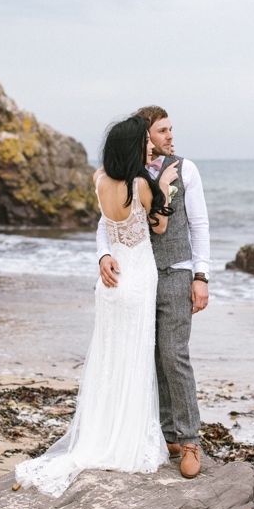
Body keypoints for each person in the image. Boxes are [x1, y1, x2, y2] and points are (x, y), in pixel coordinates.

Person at [15, 115, 171, 497]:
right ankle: (126, 436)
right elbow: (160, 227)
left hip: (111, 281)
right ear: (133, 146)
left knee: (109, 357)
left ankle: (101, 432)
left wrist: (103, 254)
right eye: (144, 142)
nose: (150, 146)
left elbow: (105, 223)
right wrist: (163, 184)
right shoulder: (141, 185)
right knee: (134, 357)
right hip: (136, 277)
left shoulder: (100, 179)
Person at [96, 106, 211, 482]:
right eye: (161, 131)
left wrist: (201, 275)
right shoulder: (129, 174)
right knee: (147, 353)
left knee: (173, 354)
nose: (169, 137)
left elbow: (199, 225)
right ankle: (167, 433)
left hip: (176, 272)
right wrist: (104, 253)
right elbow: (106, 221)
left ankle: (190, 440)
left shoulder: (186, 169)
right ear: (144, 137)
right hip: (137, 276)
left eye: (170, 130)